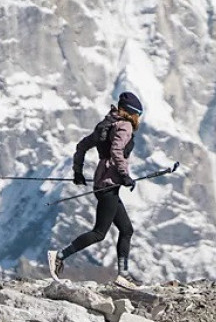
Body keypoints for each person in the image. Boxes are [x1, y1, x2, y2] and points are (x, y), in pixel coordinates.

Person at [47, 91, 144, 288]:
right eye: (138, 115)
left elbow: (82, 146)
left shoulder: (107, 124)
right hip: (109, 185)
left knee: (126, 229)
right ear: (133, 114)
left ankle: (123, 275)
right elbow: (117, 151)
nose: (138, 120)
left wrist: (78, 172)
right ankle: (59, 255)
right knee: (99, 233)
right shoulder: (124, 126)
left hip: (104, 184)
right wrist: (124, 175)